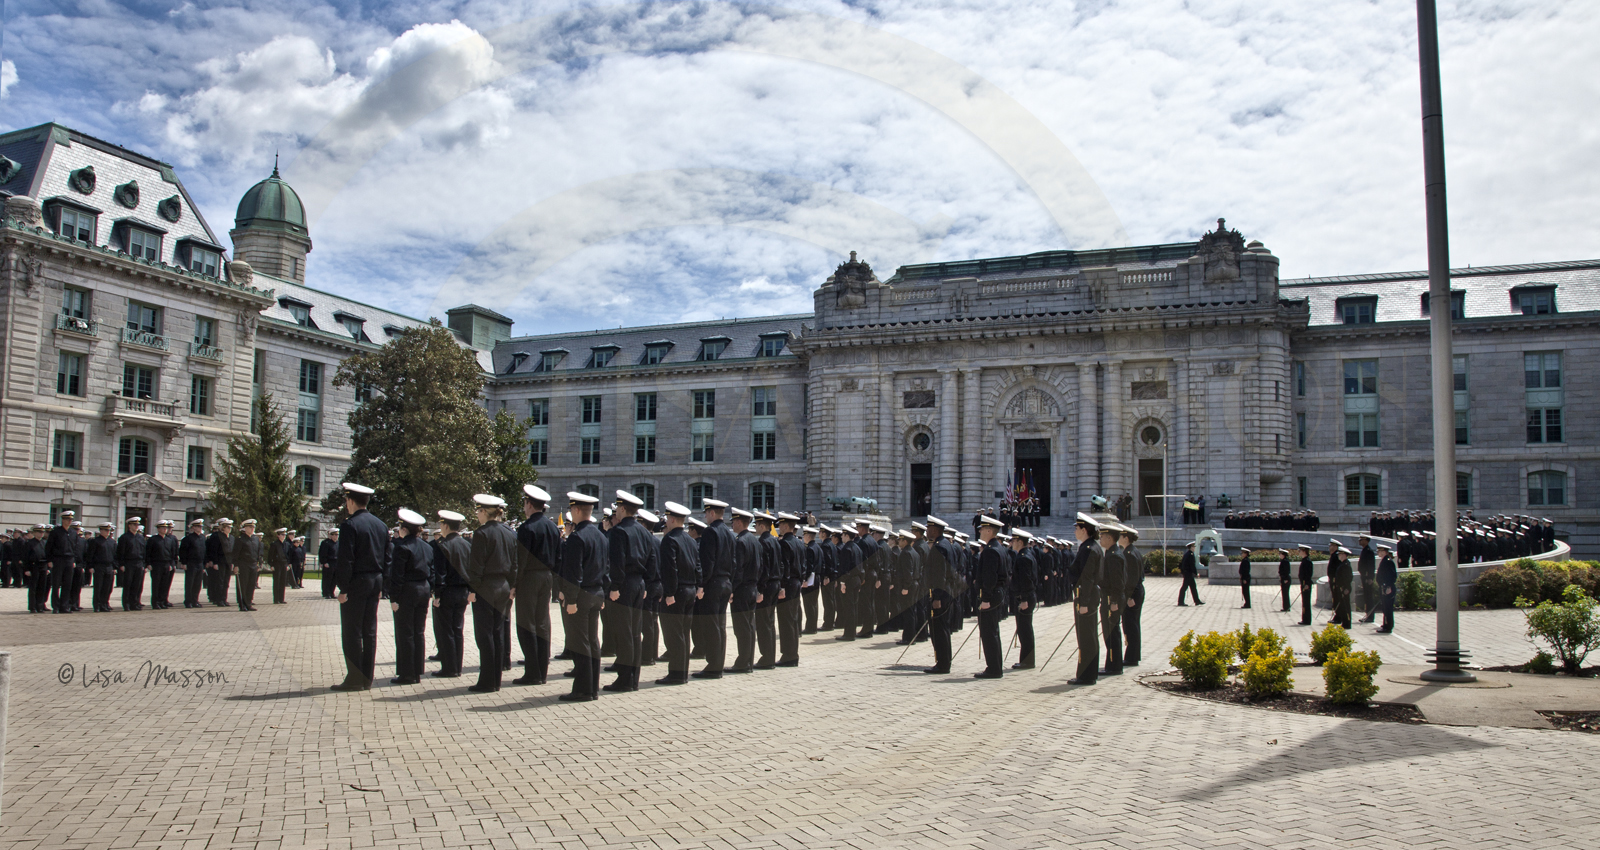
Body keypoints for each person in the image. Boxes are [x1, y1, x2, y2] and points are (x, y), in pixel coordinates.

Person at [330, 484, 387, 692]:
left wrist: (343, 588)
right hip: (375, 580)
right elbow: (387, 558)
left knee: (352, 632)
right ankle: (367, 678)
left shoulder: (349, 526)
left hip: (356, 583)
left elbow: (346, 560)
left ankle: (354, 678)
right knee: (369, 630)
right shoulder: (380, 525)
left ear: (351, 501)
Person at [604, 490, 656, 692]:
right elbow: (652, 560)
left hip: (624, 584)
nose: (616, 511)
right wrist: (647, 583)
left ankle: (625, 679)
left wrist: (615, 586)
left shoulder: (619, 532)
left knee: (623, 633)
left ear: (623, 508)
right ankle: (633, 677)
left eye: (617, 507)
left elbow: (617, 562)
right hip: (639, 583)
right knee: (635, 632)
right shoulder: (643, 531)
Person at [557, 491, 606, 701]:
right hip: (596, 592)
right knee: (592, 642)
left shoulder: (577, 537)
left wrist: (572, 600)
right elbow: (606, 568)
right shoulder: (601, 536)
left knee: (580, 643)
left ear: (576, 510)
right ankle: (592, 688)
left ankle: (583, 689)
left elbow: (573, 573)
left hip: (582, 595)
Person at [465, 494, 517, 694]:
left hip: (486, 586)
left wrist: (473, 589)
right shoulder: (509, 533)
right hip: (503, 585)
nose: (477, 515)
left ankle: (487, 680)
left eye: (478, 511)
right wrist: (511, 585)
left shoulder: (481, 533)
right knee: (498, 633)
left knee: (484, 635)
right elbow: (514, 564)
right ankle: (496, 678)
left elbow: (476, 565)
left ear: (484, 512)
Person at [513, 484, 561, 685]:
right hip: (547, 577)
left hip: (529, 578)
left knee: (526, 624)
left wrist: (514, 584)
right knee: (543, 623)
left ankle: (532, 672)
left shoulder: (527, 528)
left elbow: (521, 560)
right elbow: (559, 556)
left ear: (529, 504)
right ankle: (542, 669)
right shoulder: (552, 526)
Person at [386, 509, 433, 685]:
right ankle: (417, 671)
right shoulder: (427, 547)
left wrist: (394, 598)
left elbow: (397, 575)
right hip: (423, 589)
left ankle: (406, 673)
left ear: (403, 529)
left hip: (407, 591)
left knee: (405, 633)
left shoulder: (402, 547)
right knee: (418, 632)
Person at [656, 501, 701, 685]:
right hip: (690, 589)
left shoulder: (670, 540)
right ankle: (682, 672)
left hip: (677, 591)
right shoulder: (690, 540)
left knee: (673, 634)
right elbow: (698, 565)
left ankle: (676, 673)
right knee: (683, 633)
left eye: (667, 518)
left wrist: (669, 593)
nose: (666, 521)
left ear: (672, 519)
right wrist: (699, 586)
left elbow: (670, 569)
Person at [692, 499, 734, 679]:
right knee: (720, 625)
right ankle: (718, 663)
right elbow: (734, 562)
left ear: (711, 513)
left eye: (706, 513)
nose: (705, 517)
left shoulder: (711, 532)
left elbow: (707, 562)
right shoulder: (730, 533)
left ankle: (713, 666)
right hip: (726, 582)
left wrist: (701, 584)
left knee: (711, 626)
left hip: (713, 584)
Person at [431, 510, 472, 678]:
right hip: (463, 591)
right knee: (457, 629)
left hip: (447, 592)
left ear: (446, 525)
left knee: (446, 630)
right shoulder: (467, 545)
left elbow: (440, 573)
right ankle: (458, 666)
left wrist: (437, 595)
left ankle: (449, 667)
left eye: (441, 524)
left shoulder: (442, 545)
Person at [1066, 513, 1102, 686]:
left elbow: (1086, 577)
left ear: (1084, 530)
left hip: (1085, 597)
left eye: (1077, 528)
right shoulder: (1090, 547)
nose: (1075, 531)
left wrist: (1084, 602)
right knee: (1088, 637)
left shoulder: (1089, 549)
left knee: (1086, 637)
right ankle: (1088, 674)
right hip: (1087, 595)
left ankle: (1086, 675)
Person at [971, 515, 1008, 679]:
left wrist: (985, 599)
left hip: (990, 596)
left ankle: (993, 668)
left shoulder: (991, 550)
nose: (979, 532)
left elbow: (990, 577)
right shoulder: (997, 547)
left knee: (988, 633)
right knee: (992, 632)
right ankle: (995, 667)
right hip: (996, 594)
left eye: (981, 529)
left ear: (988, 530)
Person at [727, 508, 760, 673]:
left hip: (742, 590)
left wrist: (732, 589)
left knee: (741, 627)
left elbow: (738, 570)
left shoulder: (740, 541)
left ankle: (742, 662)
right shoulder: (754, 540)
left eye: (733, 521)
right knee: (749, 626)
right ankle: (748, 661)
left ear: (739, 522)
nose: (732, 524)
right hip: (752, 588)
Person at [752, 511, 780, 669]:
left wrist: (760, 589)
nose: (755, 527)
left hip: (767, 586)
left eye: (756, 525)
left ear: (762, 525)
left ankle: (766, 658)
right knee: (769, 621)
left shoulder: (763, 542)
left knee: (763, 623)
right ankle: (770, 656)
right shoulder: (774, 541)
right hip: (775, 584)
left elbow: (764, 568)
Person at [776, 513, 805, 666]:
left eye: (780, 525)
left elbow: (784, 567)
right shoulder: (800, 543)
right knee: (792, 620)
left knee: (786, 621)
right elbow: (803, 565)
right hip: (796, 582)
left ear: (786, 526)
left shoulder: (784, 543)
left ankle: (788, 655)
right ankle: (793, 654)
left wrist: (781, 586)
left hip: (787, 584)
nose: (779, 528)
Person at [1009, 529, 1038, 670]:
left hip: (1025, 598)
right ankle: (1026, 660)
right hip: (1026, 596)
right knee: (1024, 629)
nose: (1011, 543)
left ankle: (1027, 661)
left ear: (1020, 542)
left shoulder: (1023, 558)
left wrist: (1024, 599)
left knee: (1025, 630)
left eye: (1013, 540)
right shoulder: (1026, 555)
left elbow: (1026, 580)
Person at [1099, 523, 1125, 676]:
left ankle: (1114, 666)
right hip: (1109, 597)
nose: (1100, 539)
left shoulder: (1114, 555)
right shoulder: (1111, 552)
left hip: (1111, 599)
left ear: (1110, 538)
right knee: (1109, 632)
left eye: (1102, 536)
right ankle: (1112, 664)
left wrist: (1114, 601)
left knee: (1112, 633)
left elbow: (1118, 582)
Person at [1120, 527, 1145, 667]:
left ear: (1126, 538)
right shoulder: (1131, 551)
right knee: (1131, 624)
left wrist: (1129, 597)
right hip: (1135, 592)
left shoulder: (1129, 553)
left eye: (1121, 536)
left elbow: (1132, 578)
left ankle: (1132, 657)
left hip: (1133, 593)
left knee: (1131, 625)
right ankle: (1132, 655)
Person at [115, 516, 148, 612]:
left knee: (137, 585)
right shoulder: (124, 537)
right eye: (134, 524)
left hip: (139, 563)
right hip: (129, 563)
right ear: (129, 525)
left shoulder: (140, 537)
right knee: (128, 585)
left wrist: (144, 564)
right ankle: (126, 604)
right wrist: (121, 564)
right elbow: (120, 552)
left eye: (137, 524)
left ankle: (135, 603)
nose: (136, 526)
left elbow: (144, 552)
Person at [46, 513, 77, 613]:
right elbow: (49, 547)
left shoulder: (73, 532)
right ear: (63, 520)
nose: (70, 521)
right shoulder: (55, 532)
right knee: (56, 584)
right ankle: (55, 606)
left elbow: (75, 548)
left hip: (69, 560)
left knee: (67, 584)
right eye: (67, 519)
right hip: (58, 559)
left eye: (71, 519)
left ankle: (64, 606)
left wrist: (74, 560)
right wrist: (49, 560)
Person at [232, 520, 263, 612]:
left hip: (253, 564)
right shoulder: (240, 540)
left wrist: (258, 563)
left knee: (251, 585)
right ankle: (242, 605)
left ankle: (249, 603)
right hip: (243, 564)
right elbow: (236, 554)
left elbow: (257, 552)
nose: (252, 529)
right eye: (250, 527)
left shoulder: (256, 539)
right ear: (245, 528)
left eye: (253, 527)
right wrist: (236, 565)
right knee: (243, 585)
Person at [146, 520, 178, 609]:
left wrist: (172, 564)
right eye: (163, 528)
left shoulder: (169, 540)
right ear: (158, 529)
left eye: (166, 528)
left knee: (164, 584)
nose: (165, 529)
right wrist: (148, 563)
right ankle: (155, 602)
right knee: (156, 584)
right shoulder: (153, 539)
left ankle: (162, 601)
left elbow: (172, 553)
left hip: (166, 564)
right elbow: (148, 552)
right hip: (156, 564)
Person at [86, 522, 117, 612]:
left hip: (109, 566)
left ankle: (104, 604)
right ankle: (97, 605)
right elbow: (90, 555)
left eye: (108, 530)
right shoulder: (95, 541)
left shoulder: (112, 542)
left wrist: (114, 567)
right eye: (105, 530)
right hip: (99, 566)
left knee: (107, 587)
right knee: (98, 587)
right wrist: (90, 566)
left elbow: (115, 555)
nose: (107, 532)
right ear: (101, 531)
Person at [180, 519, 207, 608]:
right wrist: (183, 563)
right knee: (190, 583)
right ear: (193, 528)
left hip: (199, 563)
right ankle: (188, 601)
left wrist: (204, 564)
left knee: (197, 584)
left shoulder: (203, 538)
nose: (200, 528)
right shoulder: (188, 538)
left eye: (200, 527)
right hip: (191, 563)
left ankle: (195, 600)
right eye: (198, 526)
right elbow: (183, 551)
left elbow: (204, 551)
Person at [801, 524, 821, 634]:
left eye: (804, 535)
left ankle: (810, 627)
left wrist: (805, 579)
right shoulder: (817, 547)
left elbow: (809, 566)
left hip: (811, 578)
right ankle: (813, 625)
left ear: (808, 536)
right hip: (817, 577)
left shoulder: (810, 549)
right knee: (814, 603)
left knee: (808, 604)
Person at [1330, 545, 1354, 629]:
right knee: (1343, 606)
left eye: (1340, 554)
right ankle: (1344, 622)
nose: (1339, 556)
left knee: (1346, 606)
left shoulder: (1346, 565)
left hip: (1344, 588)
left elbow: (1348, 578)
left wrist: (1346, 588)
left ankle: (1347, 622)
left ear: (1344, 555)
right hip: (1341, 588)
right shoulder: (1342, 564)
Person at [1376, 543, 1397, 633]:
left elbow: (1392, 575)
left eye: (1380, 551)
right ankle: (1386, 624)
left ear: (1384, 552)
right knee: (1385, 607)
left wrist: (1388, 586)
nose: (1378, 552)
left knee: (1388, 607)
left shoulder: (1388, 561)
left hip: (1388, 587)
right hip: (1384, 586)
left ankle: (1388, 626)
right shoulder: (1384, 560)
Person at [1357, 534, 1378, 624]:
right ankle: (1367, 614)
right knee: (1366, 597)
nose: (1360, 541)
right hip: (1364, 576)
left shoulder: (1369, 551)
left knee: (1369, 597)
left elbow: (1371, 566)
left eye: (1362, 540)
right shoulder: (1364, 550)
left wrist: (1370, 577)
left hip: (1367, 577)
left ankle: (1370, 616)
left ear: (1366, 540)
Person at [269, 528, 292, 604]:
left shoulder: (286, 544)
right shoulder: (274, 544)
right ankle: (276, 599)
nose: (284, 536)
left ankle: (281, 598)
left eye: (285, 535)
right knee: (277, 582)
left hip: (284, 564)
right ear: (278, 535)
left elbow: (288, 555)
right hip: (277, 564)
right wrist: (271, 564)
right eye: (282, 535)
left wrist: (288, 564)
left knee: (283, 582)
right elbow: (270, 556)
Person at [1177, 541, 1202, 606]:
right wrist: (1196, 573)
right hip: (1188, 574)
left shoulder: (1187, 554)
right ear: (1191, 547)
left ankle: (1197, 601)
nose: (1194, 548)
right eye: (1193, 547)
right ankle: (1180, 602)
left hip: (1187, 573)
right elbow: (1192, 565)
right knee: (1184, 587)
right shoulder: (1190, 555)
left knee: (1193, 587)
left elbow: (1181, 564)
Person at [318, 528, 340, 599]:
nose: (337, 536)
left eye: (337, 535)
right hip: (329, 563)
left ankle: (331, 592)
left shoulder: (338, 543)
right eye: (335, 535)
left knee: (334, 579)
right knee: (327, 579)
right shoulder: (326, 543)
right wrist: (324, 562)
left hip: (336, 563)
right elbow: (322, 553)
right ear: (331, 535)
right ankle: (326, 593)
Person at [1297, 544, 1315, 625]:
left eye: (1300, 550)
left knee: (1306, 603)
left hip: (1306, 584)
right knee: (1304, 602)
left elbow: (1308, 574)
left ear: (1304, 551)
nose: (1299, 552)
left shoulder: (1307, 561)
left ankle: (1307, 620)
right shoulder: (1304, 560)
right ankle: (1304, 618)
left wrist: (1306, 584)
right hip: (1304, 584)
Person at [1277, 548, 1293, 612]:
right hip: (1283, 579)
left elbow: (1287, 571)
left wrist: (1285, 579)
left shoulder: (1285, 561)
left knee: (1285, 594)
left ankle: (1287, 607)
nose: (1279, 555)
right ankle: (1285, 606)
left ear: (1283, 555)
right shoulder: (1283, 561)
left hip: (1286, 579)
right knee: (1284, 594)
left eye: (1280, 554)